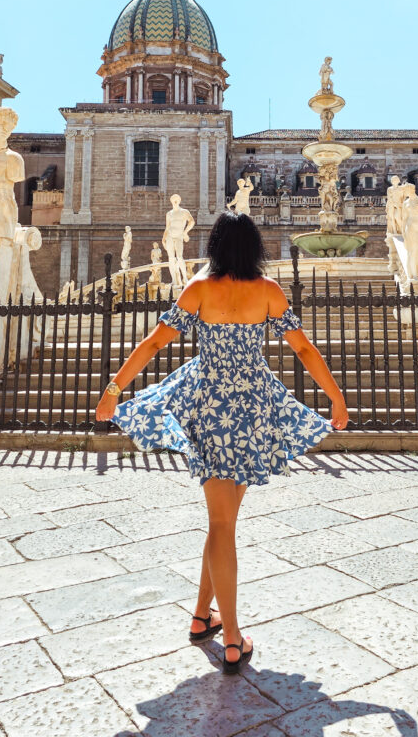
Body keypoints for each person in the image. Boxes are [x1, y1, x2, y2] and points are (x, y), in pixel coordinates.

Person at [96, 212, 348, 674]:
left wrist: (114, 390)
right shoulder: (269, 292)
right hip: (252, 408)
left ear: (214, 246)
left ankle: (201, 618)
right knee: (224, 524)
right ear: (255, 248)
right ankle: (232, 638)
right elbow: (305, 350)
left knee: (221, 523)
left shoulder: (198, 291)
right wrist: (335, 397)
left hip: (207, 405)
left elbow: (154, 344)